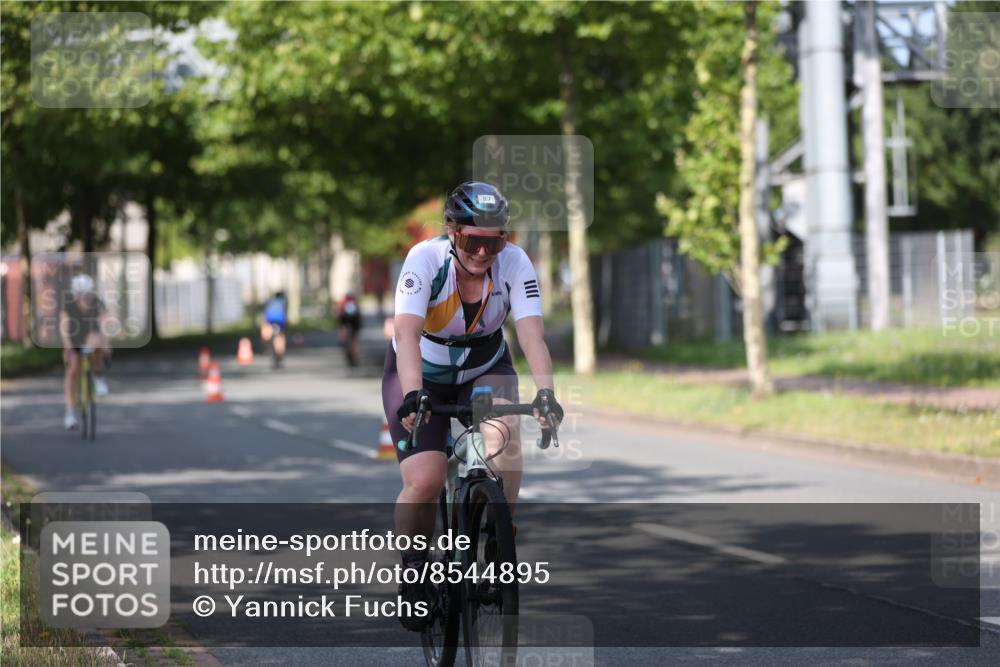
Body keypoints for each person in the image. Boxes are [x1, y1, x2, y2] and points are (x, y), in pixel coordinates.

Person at [382, 181, 563, 631]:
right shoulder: (425, 260)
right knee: (423, 481)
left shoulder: (515, 263)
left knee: (503, 438)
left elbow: (531, 336)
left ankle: (497, 536)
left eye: (494, 241)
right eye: (472, 240)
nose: (483, 252)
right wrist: (412, 393)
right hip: (420, 371)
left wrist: (546, 393)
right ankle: (414, 573)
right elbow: (405, 333)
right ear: (452, 233)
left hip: (485, 366)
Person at [60, 274, 110, 430]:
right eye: (81, 294)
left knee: (97, 342)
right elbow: (64, 327)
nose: (85, 297)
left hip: (91, 334)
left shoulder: (98, 303)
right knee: (72, 371)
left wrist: (106, 343)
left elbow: (105, 323)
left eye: (88, 293)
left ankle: (99, 376)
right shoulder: (68, 304)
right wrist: (67, 346)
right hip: (74, 336)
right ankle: (70, 414)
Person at [261, 291, 288, 368]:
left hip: (269, 321)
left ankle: (267, 348)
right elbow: (284, 313)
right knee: (280, 337)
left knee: (269, 336)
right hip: (279, 321)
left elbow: (265, 312)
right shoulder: (283, 301)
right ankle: (280, 353)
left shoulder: (270, 301)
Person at [337, 292, 362, 367]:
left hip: (344, 317)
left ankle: (343, 340)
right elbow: (359, 311)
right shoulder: (355, 300)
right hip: (355, 319)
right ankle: (355, 356)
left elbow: (340, 315)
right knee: (355, 338)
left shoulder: (343, 300)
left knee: (343, 328)